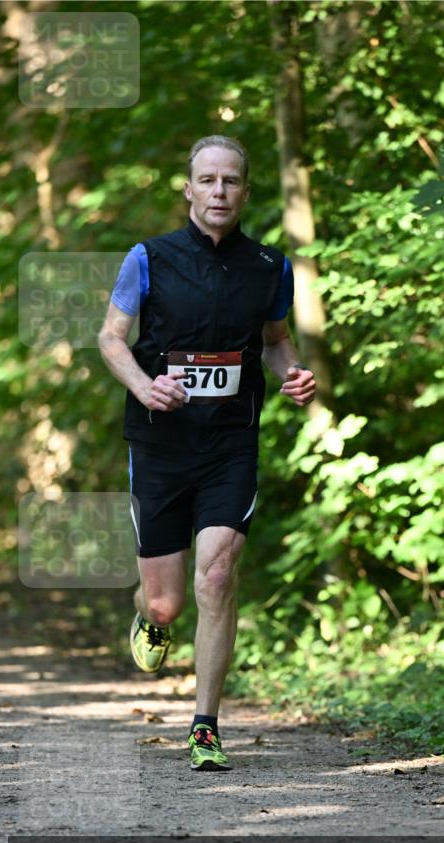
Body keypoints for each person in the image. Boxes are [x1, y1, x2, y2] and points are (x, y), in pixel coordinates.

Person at [98, 135, 316, 772]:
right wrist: (145, 384)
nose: (219, 191)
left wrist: (293, 373)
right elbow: (112, 340)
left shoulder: (271, 266)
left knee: (217, 575)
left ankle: (204, 725)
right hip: (160, 445)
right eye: (208, 180)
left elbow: (276, 342)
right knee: (165, 600)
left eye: (231, 181)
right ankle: (153, 619)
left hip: (230, 441)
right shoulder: (149, 259)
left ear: (246, 192)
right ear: (188, 189)